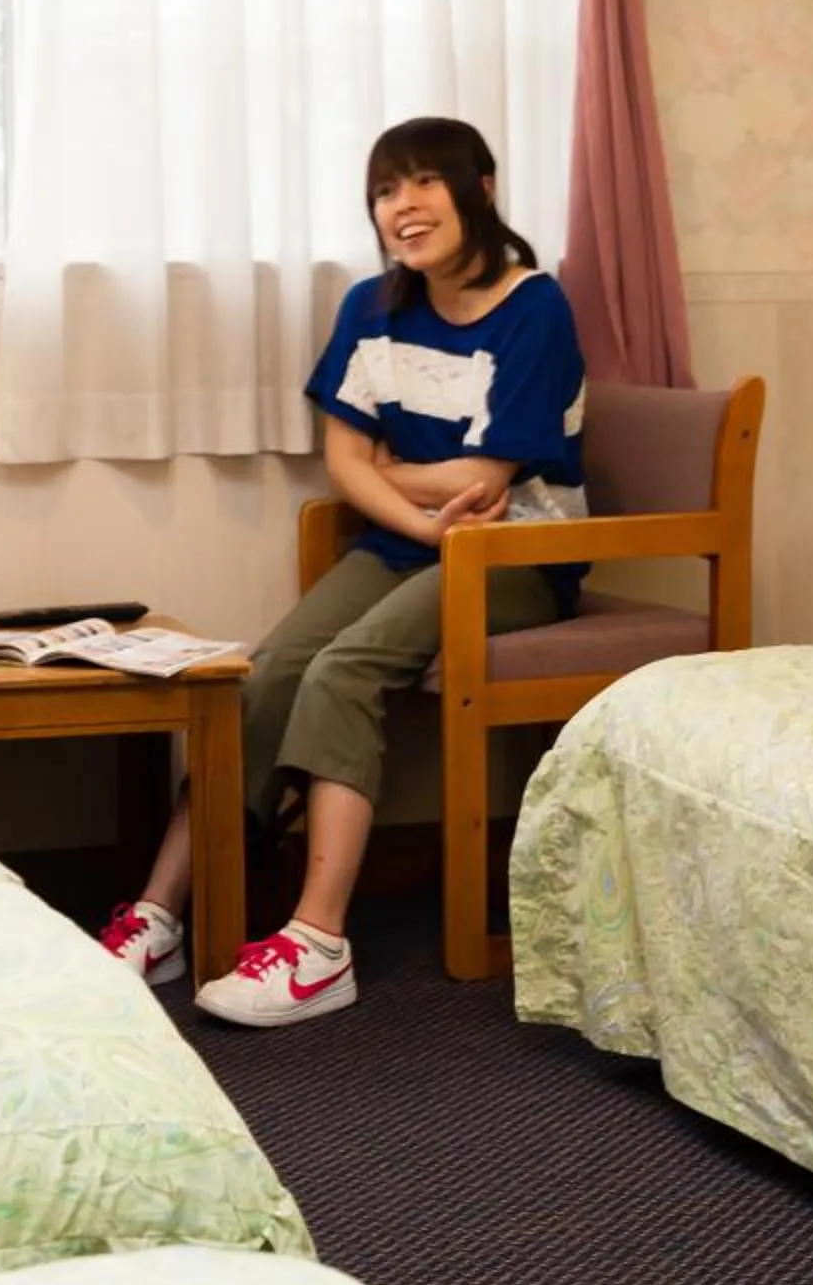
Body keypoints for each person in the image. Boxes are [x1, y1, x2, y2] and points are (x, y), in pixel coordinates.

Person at [101, 118, 588, 1028]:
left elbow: (485, 486)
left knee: (345, 668)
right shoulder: (372, 307)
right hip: (416, 543)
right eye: (384, 191)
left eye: (423, 183)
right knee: (263, 673)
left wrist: (385, 473)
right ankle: (162, 912)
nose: (403, 206)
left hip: (522, 554)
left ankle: (320, 946)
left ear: (479, 186)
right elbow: (345, 467)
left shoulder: (537, 309)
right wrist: (412, 506)